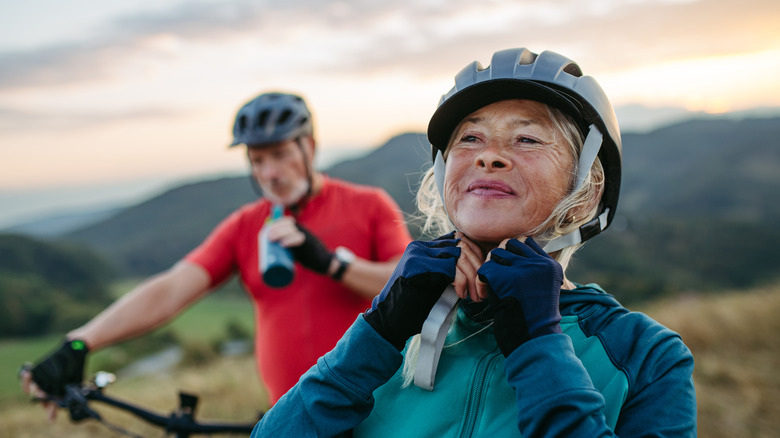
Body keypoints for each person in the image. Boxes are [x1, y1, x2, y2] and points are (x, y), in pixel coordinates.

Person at [250, 48, 697, 436]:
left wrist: (538, 345)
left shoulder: (646, 355)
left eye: (526, 138)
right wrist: (380, 329)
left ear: (586, 192)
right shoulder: (395, 340)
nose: (489, 154)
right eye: (470, 138)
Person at [21, 91, 413, 417]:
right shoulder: (246, 225)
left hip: (374, 408)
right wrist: (80, 342)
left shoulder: (368, 205)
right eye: (257, 160)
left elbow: (407, 281)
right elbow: (172, 288)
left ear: (308, 147)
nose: (269, 173)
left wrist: (332, 263)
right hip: (290, 417)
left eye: (279, 154)